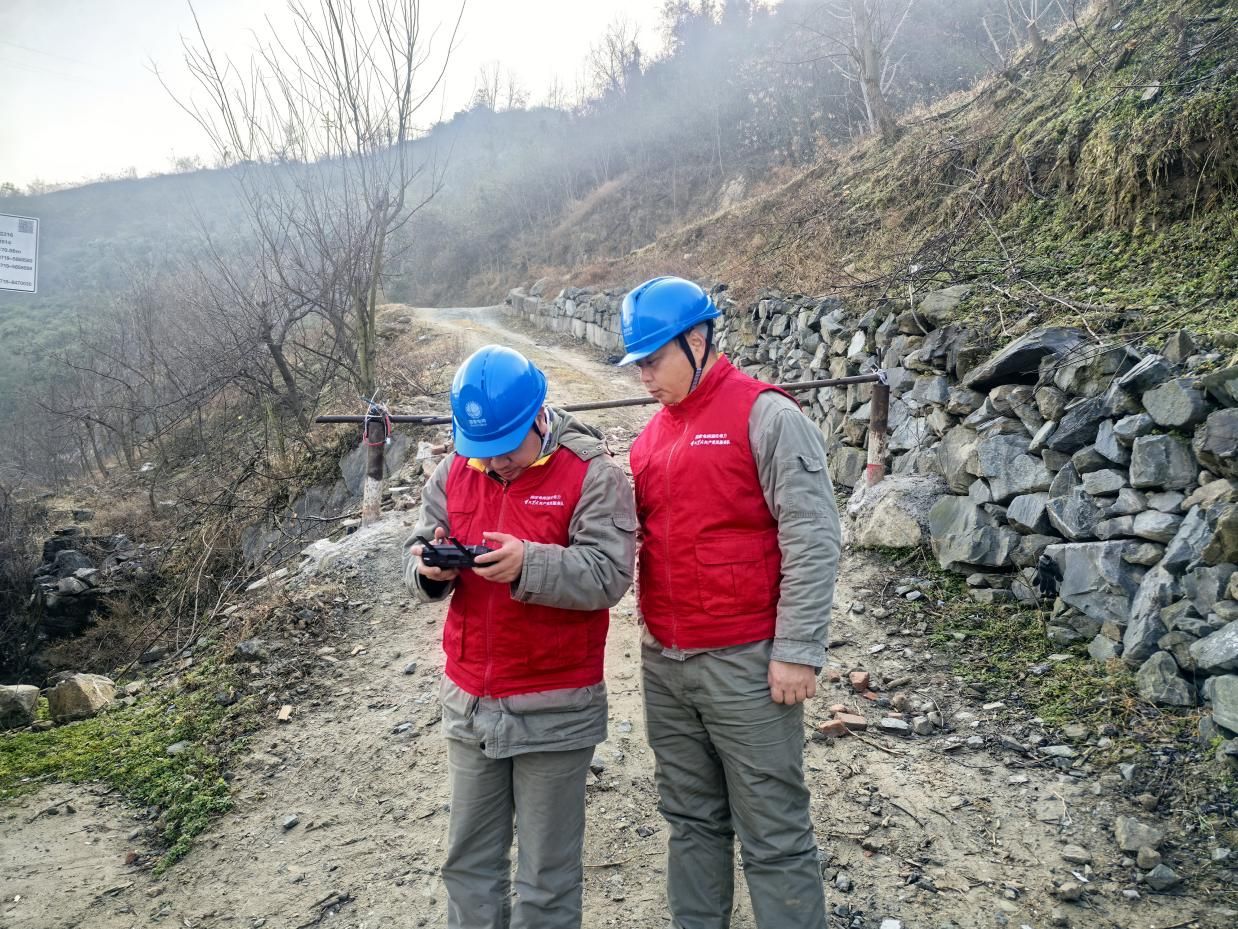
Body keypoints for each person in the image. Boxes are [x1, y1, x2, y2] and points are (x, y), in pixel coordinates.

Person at [618, 276, 841, 929]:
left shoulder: (767, 417)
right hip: (666, 664)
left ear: (697, 340)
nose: (643, 377)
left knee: (774, 832)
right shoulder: (650, 439)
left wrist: (797, 649)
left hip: (747, 665)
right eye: (636, 365)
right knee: (690, 820)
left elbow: (814, 536)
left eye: (653, 360)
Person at [402, 344, 636, 929]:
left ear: (538, 417)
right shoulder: (456, 468)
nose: (495, 463)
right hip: (470, 703)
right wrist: (428, 570)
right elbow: (418, 545)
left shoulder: (592, 473)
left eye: (507, 449)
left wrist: (529, 564)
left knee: (546, 879)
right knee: (468, 865)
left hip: (555, 705)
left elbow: (610, 575)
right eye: (483, 451)